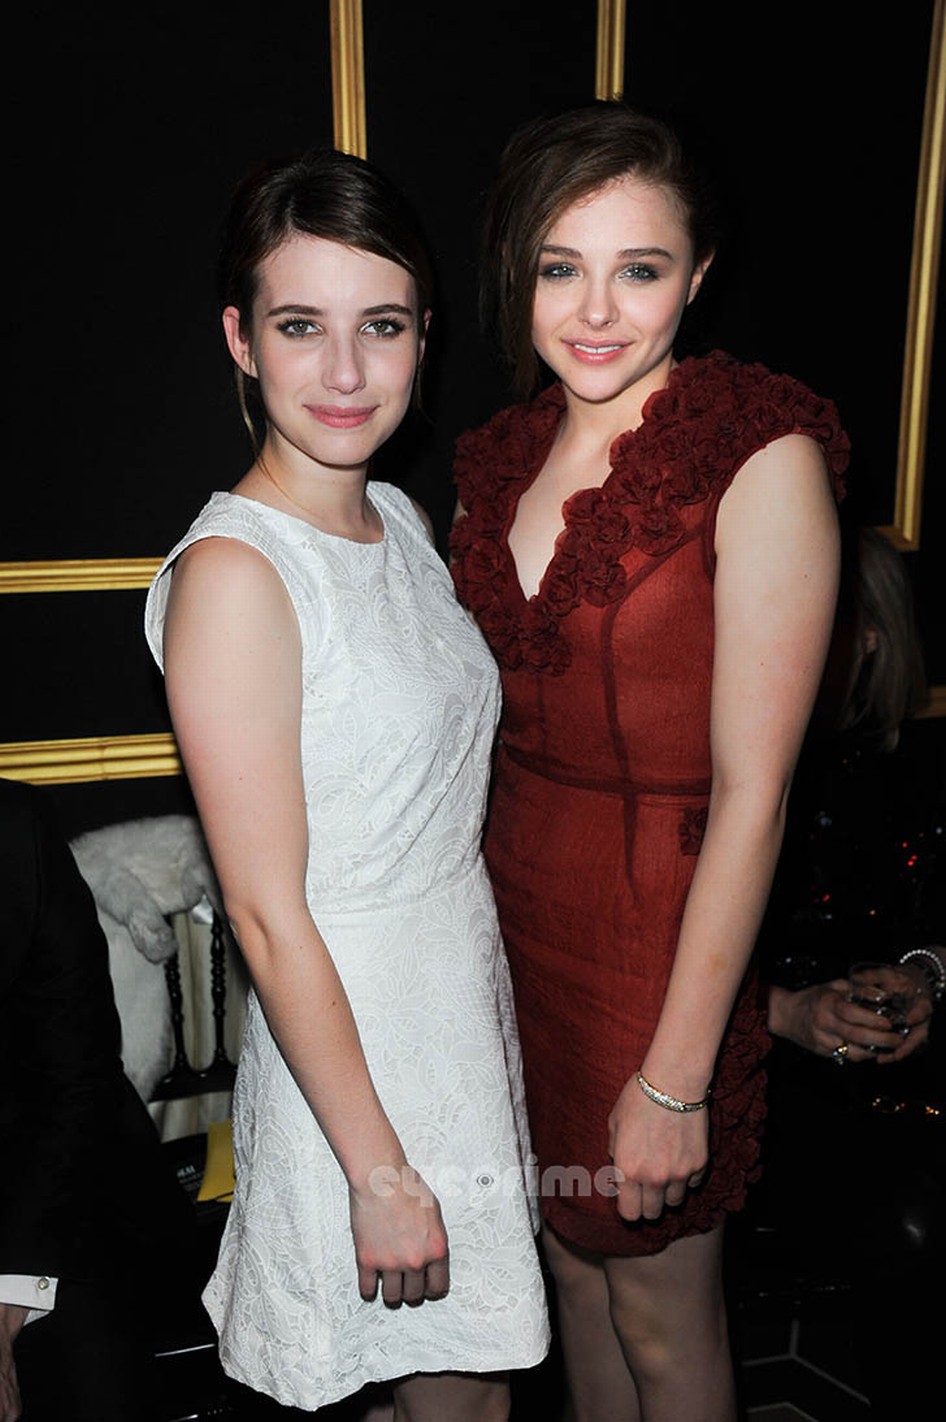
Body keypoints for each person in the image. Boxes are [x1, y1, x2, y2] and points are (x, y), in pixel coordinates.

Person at [449, 101, 849, 1421]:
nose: (594, 310)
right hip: (509, 936)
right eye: (559, 266)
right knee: (571, 1281)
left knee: (662, 1323)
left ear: (699, 271)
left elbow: (756, 796)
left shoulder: (756, 451)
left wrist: (676, 1076)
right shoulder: (497, 458)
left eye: (639, 267)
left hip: (654, 950)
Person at [143, 147, 549, 1419]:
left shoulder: (403, 525)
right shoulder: (236, 575)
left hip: (450, 1013)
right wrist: (376, 1170)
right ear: (240, 339)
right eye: (299, 326)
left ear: (424, 336)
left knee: (459, 1398)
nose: (345, 372)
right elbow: (266, 913)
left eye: (380, 325)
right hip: (353, 1061)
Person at [740, 521, 945, 1413]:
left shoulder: (916, 768)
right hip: (748, 1067)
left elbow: (932, 926)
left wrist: (924, 977)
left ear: (870, 639)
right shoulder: (733, 765)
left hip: (895, 1068)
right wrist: (787, 1011)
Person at [0, 776, 197, 1422]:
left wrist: (10, 1293)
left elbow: (74, 1072)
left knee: (96, 1385)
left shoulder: (16, 828)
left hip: (47, 1199)